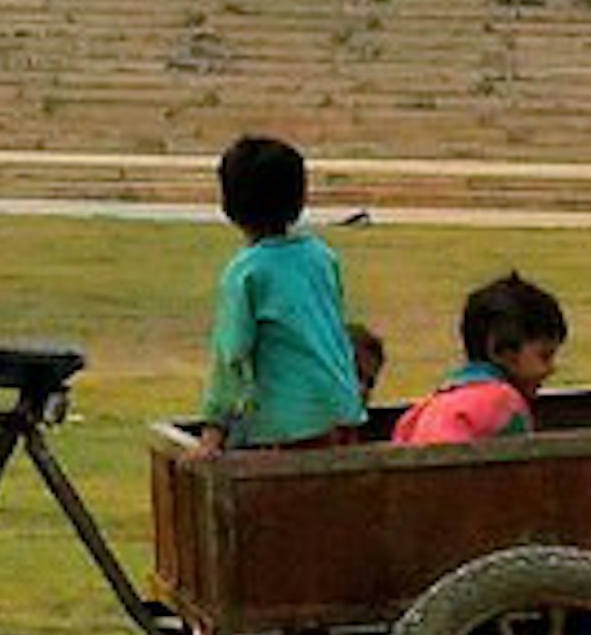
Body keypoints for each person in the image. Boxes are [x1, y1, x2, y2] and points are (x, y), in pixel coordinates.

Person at [193, 135, 363, 450]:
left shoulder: (247, 272)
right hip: (344, 410)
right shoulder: (321, 256)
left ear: (229, 204)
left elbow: (230, 355)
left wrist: (213, 428)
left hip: (292, 424)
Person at [391, 270, 567, 444]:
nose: (551, 369)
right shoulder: (504, 401)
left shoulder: (424, 409)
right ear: (502, 351)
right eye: (545, 356)